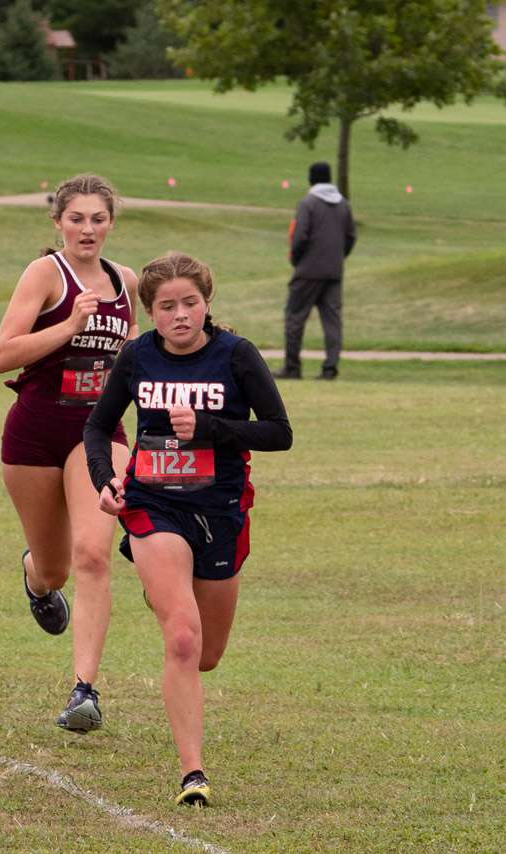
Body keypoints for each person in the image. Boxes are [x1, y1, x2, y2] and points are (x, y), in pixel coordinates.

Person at [83, 252, 292, 805]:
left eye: (190, 303)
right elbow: (99, 425)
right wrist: (105, 479)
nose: (181, 315)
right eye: (167, 306)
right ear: (150, 312)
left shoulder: (237, 355)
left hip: (221, 509)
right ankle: (192, 774)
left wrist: (211, 428)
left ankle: (170, 596)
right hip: (155, 506)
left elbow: (278, 433)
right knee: (181, 637)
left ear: (207, 303)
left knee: (205, 654)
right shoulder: (137, 357)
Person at [0, 174, 139, 733]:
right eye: (76, 218)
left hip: (98, 433)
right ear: (59, 222)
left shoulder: (125, 282)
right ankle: (34, 577)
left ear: (111, 224)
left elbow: (137, 359)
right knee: (55, 567)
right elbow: (3, 354)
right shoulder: (44, 274)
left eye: (98, 219)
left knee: (94, 553)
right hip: (33, 434)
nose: (88, 229)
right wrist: (72, 324)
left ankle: (85, 691)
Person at [273, 161, 356, 380]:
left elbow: (299, 237)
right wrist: (337, 257)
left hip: (308, 271)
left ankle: (292, 367)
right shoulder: (344, 204)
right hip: (334, 272)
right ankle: (330, 368)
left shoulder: (308, 203)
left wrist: (298, 259)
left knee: (294, 317)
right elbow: (350, 237)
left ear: (311, 178)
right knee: (332, 320)